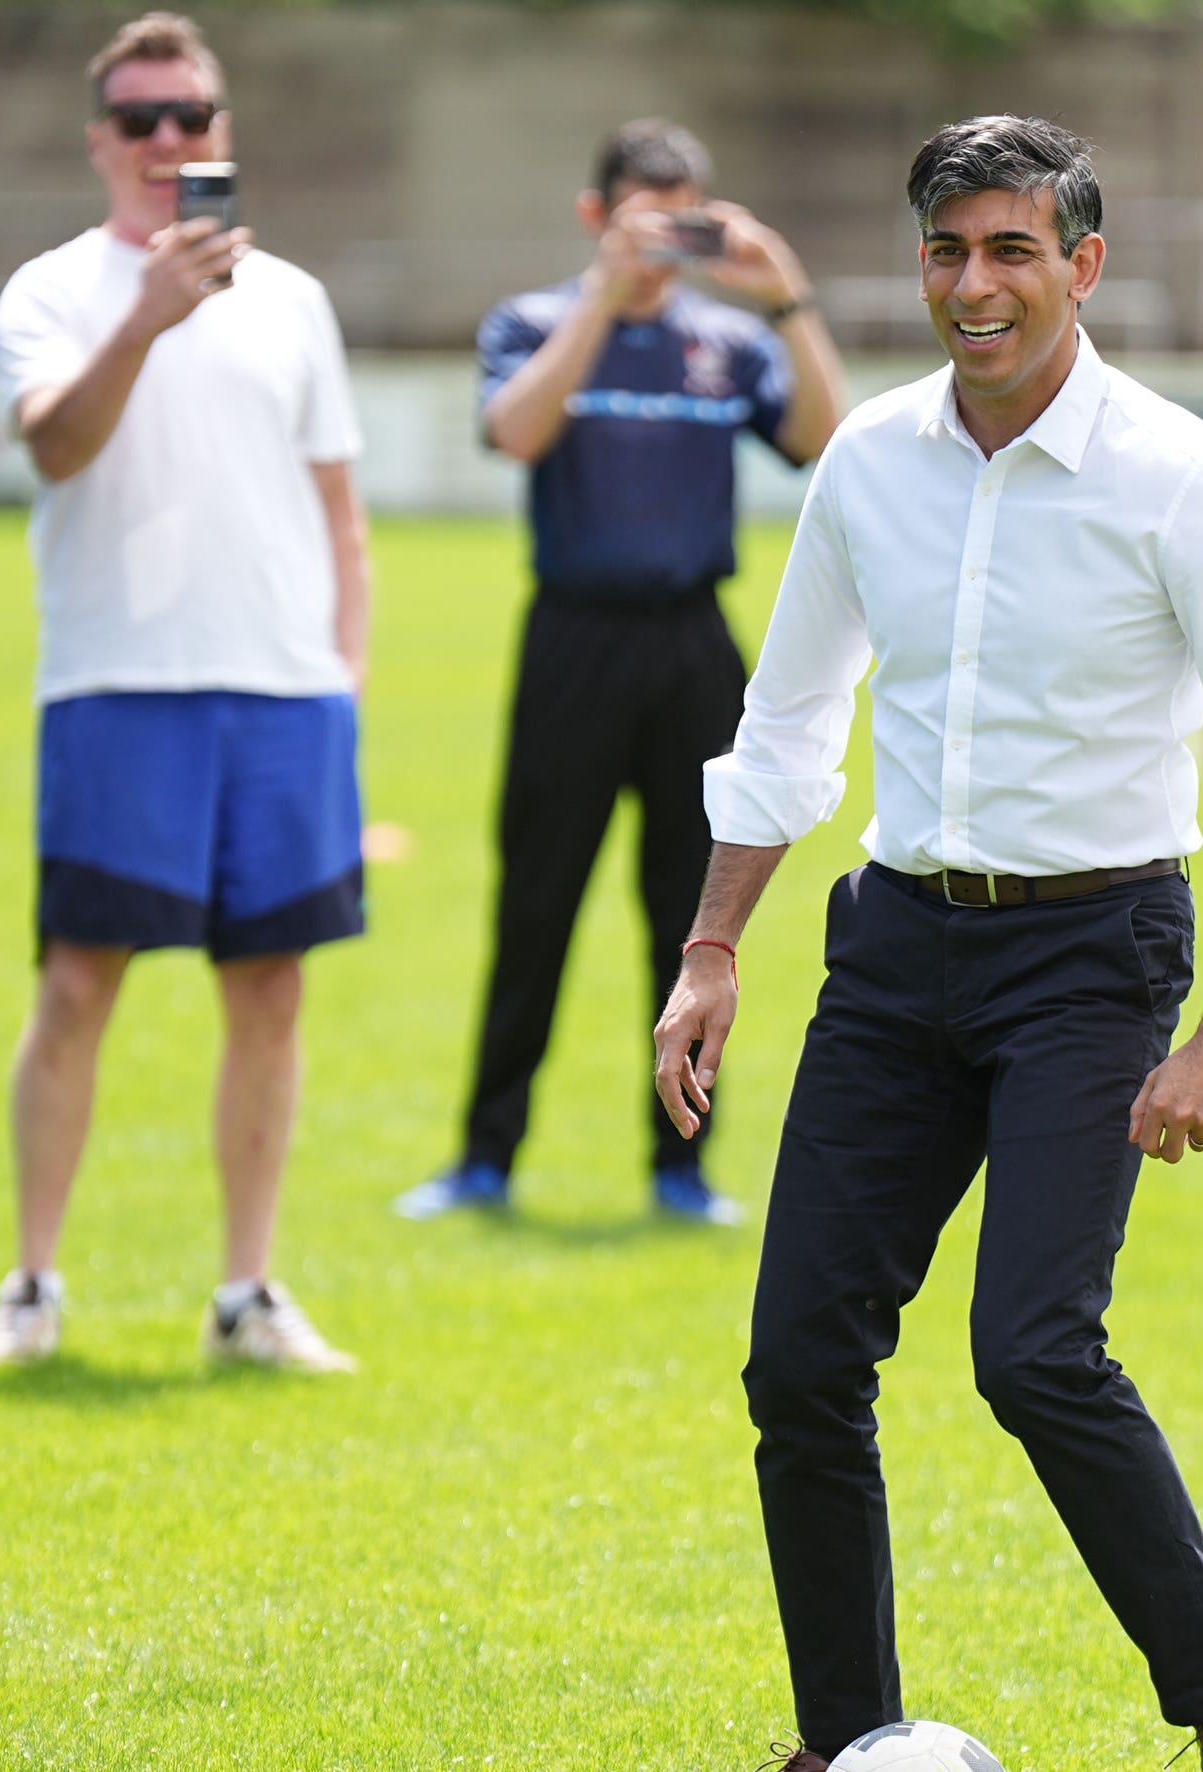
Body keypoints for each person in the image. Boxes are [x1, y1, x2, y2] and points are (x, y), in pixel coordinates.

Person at [654, 116, 1203, 1772]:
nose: (975, 287)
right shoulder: (870, 465)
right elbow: (786, 730)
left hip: (1095, 952)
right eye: (947, 253)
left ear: (1082, 266)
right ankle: (841, 1746)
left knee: (1034, 1350)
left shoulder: (1180, 478)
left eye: (1011, 253)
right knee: (799, 1359)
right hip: (897, 943)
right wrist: (712, 947)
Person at [0, 10, 369, 1372]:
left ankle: (246, 1296)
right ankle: (32, 1282)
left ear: (222, 135)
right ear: (99, 142)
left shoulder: (297, 301)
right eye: (138, 120)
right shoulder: (48, 292)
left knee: (271, 996)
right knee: (79, 984)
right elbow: (56, 447)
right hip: (117, 684)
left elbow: (342, 514)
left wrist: (345, 685)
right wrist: (149, 314)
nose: (165, 142)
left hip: (282, 698)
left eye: (188, 118)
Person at [394, 120, 845, 1228]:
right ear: (597, 217)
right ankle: (485, 1157)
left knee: (691, 921)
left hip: (695, 649)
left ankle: (681, 1165)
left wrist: (785, 297)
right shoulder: (535, 323)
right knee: (536, 905)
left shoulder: (727, 344)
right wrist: (603, 297)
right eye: (645, 214)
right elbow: (516, 430)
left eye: (687, 213)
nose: (665, 242)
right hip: (572, 644)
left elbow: (824, 442)